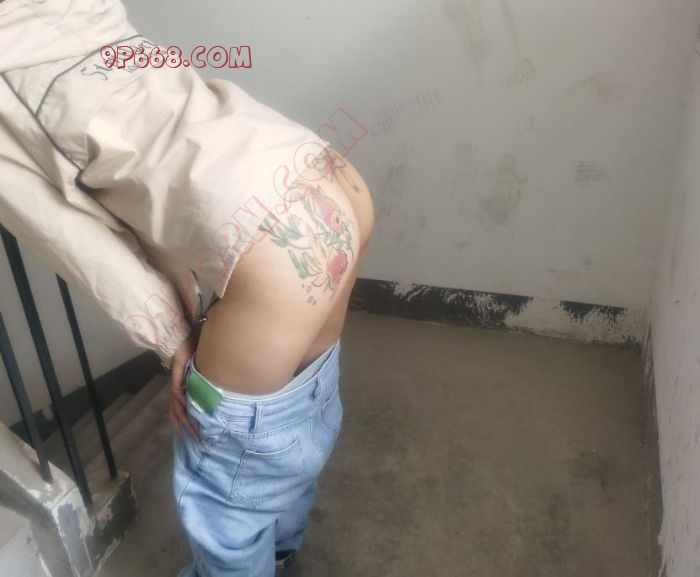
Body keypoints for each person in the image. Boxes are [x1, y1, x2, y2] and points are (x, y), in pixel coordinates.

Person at [0, 1, 374, 575]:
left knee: (226, 493)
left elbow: (74, 237)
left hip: (277, 240)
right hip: (318, 171)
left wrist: (171, 337)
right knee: (302, 406)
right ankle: (281, 547)